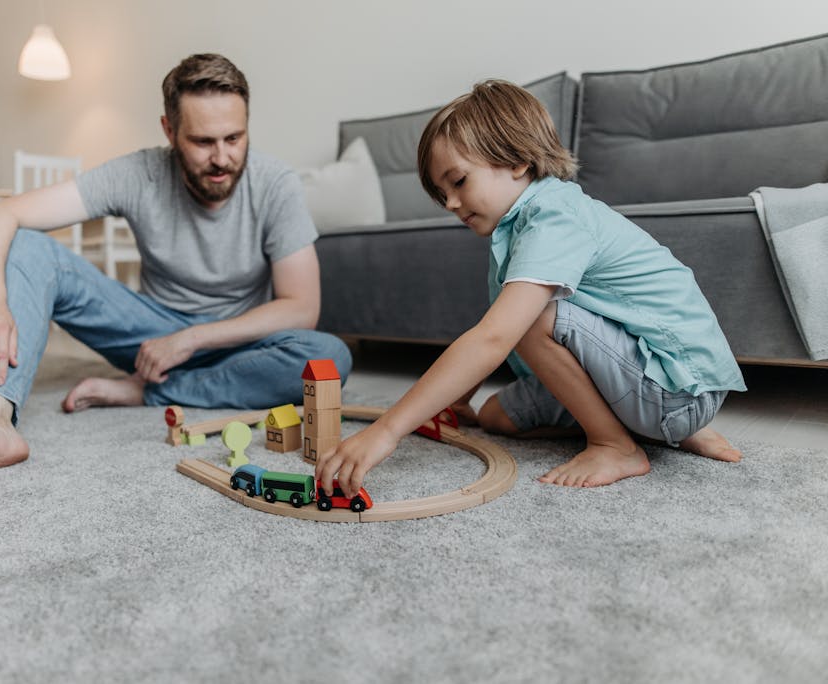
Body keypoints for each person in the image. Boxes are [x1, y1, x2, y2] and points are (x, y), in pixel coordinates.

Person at [0, 53, 351, 497]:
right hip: (148, 335)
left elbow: (301, 307)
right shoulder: (139, 173)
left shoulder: (277, 184)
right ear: (169, 131)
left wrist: (191, 340)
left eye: (235, 138)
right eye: (203, 142)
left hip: (238, 344)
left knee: (328, 356)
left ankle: (146, 391)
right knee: (26, 242)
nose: (222, 158)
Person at [315, 79, 745, 496]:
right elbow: (492, 329)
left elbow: (495, 336)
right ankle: (658, 433)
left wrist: (387, 430)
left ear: (517, 161)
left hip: (675, 386)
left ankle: (617, 446)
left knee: (534, 315)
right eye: (441, 193)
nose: (450, 203)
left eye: (459, 181)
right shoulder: (516, 228)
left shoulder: (554, 216)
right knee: (497, 416)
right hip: (656, 390)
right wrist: (458, 402)